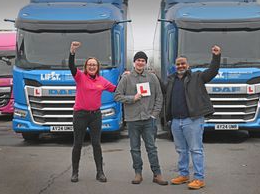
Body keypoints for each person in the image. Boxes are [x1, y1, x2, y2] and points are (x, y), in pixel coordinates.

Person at [166, 45, 221, 189]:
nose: (180, 66)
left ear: (188, 65)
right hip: (176, 121)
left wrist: (216, 57)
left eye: (183, 63)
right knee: (181, 150)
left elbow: (212, 71)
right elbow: (162, 89)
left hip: (193, 120)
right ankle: (184, 175)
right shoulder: (171, 80)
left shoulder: (197, 77)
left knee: (196, 149)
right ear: (175, 66)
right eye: (178, 64)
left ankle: (199, 178)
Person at [114, 51, 168, 186]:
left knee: (151, 148)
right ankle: (138, 173)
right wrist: (133, 98)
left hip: (149, 120)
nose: (140, 62)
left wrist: (154, 114)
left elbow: (159, 97)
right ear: (134, 62)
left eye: (143, 60)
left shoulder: (152, 78)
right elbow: (117, 96)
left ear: (145, 63)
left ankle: (157, 174)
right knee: (135, 148)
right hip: (133, 120)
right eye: (138, 60)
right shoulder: (126, 78)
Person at [68, 41, 116, 183]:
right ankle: (75, 172)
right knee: (77, 144)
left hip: (95, 116)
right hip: (80, 115)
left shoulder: (102, 81)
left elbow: (116, 89)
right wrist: (72, 52)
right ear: (86, 67)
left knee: (96, 144)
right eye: (90, 65)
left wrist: (126, 77)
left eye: (94, 65)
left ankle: (100, 172)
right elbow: (71, 66)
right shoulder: (80, 77)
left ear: (97, 67)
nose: (92, 66)